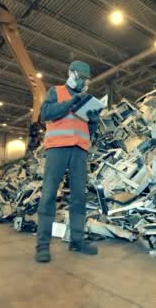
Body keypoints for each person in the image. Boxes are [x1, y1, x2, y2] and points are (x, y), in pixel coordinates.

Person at [35, 60, 100, 263]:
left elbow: (89, 131)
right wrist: (72, 102)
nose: (83, 82)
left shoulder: (86, 100)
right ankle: (42, 246)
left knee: (79, 196)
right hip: (57, 149)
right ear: (71, 74)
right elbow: (45, 114)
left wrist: (94, 120)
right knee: (48, 194)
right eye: (80, 77)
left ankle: (77, 241)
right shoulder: (56, 91)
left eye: (86, 79)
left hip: (79, 151)